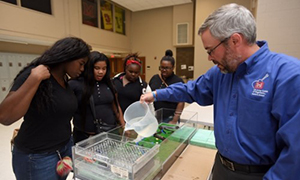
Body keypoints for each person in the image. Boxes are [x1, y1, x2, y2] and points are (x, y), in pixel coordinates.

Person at [140, 3, 300, 180]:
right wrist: (155, 95)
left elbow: (295, 152)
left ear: (235, 40)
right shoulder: (220, 73)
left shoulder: (288, 75)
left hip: (260, 174)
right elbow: (191, 89)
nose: (209, 57)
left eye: (210, 50)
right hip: (221, 168)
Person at [0, 37, 91, 180]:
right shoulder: (35, 74)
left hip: (62, 150)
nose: (82, 69)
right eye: (81, 64)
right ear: (69, 56)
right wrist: (34, 79)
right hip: (37, 157)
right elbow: (5, 116)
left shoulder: (64, 80)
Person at [69, 51, 125, 144]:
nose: (101, 72)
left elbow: (116, 106)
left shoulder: (109, 83)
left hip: (108, 133)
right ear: (89, 68)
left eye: (104, 68)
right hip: (85, 137)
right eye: (97, 68)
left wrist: (123, 126)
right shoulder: (76, 84)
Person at [149, 49, 184, 124]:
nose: (164, 70)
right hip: (155, 116)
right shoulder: (155, 78)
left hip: (171, 117)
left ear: (173, 68)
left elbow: (181, 102)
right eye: (162, 67)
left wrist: (174, 120)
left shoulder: (178, 81)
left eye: (167, 68)